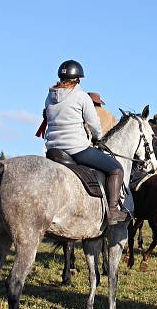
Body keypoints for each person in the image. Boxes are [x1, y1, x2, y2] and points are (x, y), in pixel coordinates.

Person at [44, 60, 128, 225]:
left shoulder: (50, 96)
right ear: (78, 79)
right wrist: (97, 137)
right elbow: (94, 124)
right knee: (116, 169)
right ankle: (112, 211)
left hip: (53, 149)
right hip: (76, 148)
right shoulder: (81, 96)